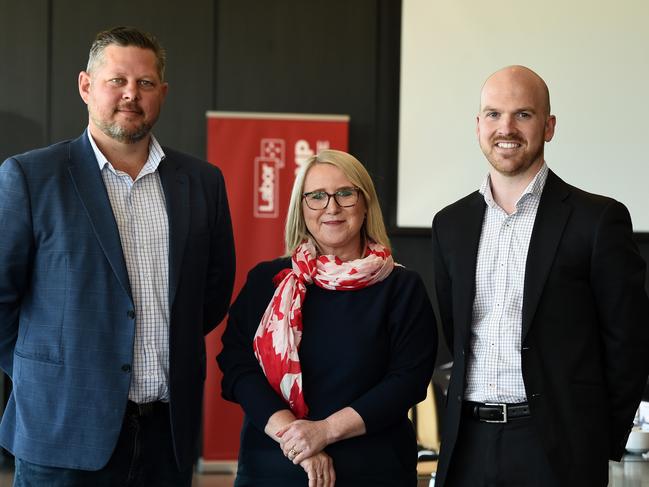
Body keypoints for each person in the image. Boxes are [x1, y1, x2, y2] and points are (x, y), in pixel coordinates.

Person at [0, 26, 235, 486]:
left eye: (145, 83)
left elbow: (208, 297)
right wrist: (42, 371)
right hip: (61, 432)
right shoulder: (31, 177)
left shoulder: (203, 182)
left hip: (166, 437)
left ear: (162, 93)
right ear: (86, 86)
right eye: (117, 81)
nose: (132, 94)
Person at [431, 65, 649, 487]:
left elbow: (630, 342)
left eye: (523, 114)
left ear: (548, 126)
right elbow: (455, 330)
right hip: (467, 447)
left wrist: (597, 441)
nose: (505, 127)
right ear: (478, 126)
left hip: (558, 452)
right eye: (493, 114)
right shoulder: (450, 224)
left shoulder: (598, 220)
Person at [217, 149, 437, 486]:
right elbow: (237, 366)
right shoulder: (268, 281)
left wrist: (323, 432)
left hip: (373, 472)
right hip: (274, 468)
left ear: (365, 205)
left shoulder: (402, 288)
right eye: (317, 196)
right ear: (302, 208)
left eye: (345, 194)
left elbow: (407, 381)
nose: (331, 207)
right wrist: (299, 440)